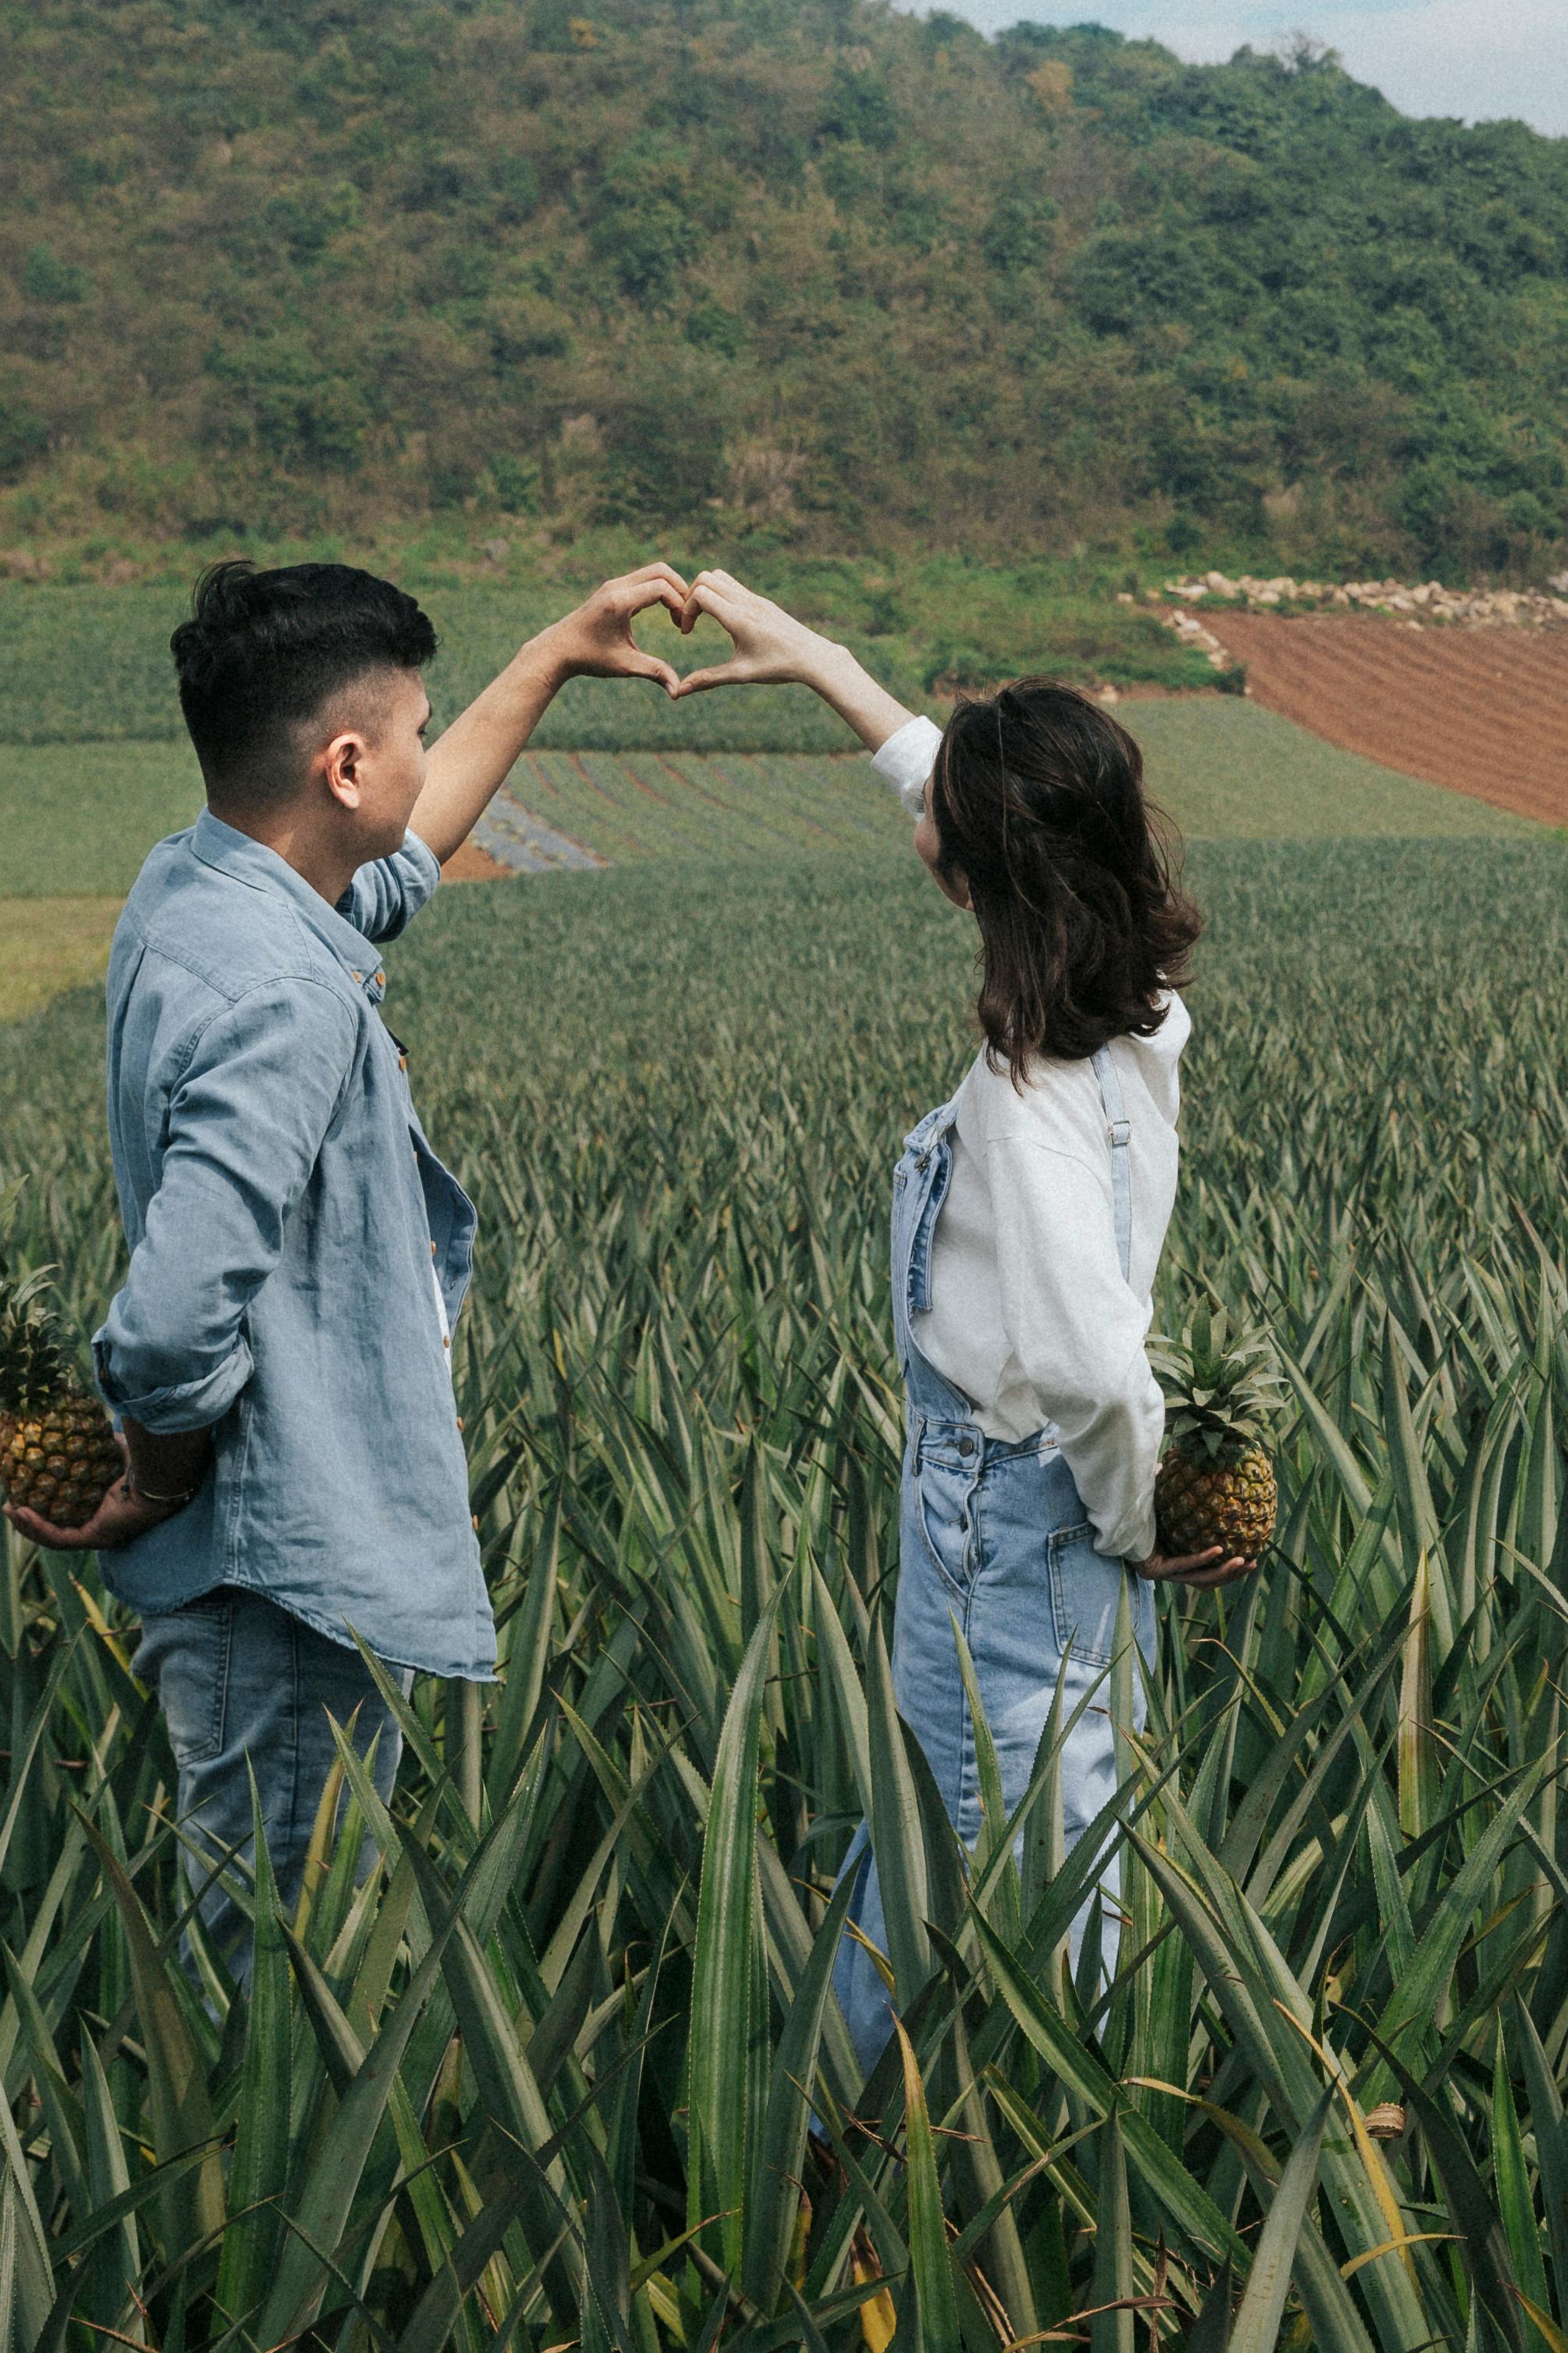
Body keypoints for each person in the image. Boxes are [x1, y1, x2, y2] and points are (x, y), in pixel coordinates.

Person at [13, 554, 695, 1980]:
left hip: (261, 1558)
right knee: (282, 1976)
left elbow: (406, 850)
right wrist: (164, 1471)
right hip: (283, 1568)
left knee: (275, 1935)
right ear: (341, 765)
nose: (429, 754)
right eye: (415, 730)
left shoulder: (205, 885)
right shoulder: (282, 997)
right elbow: (170, 1322)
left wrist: (555, 656)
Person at [669, 570, 1258, 2081]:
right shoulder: (1142, 1019)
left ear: (972, 879)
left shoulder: (1021, 1101)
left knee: (997, 1871)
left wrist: (1132, 1523)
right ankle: (932, 2158)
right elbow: (963, 792)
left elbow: (1084, 1367)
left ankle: (885, 2165)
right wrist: (813, 660)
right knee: (1015, 1841)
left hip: (1011, 1523)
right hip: (1021, 1525)